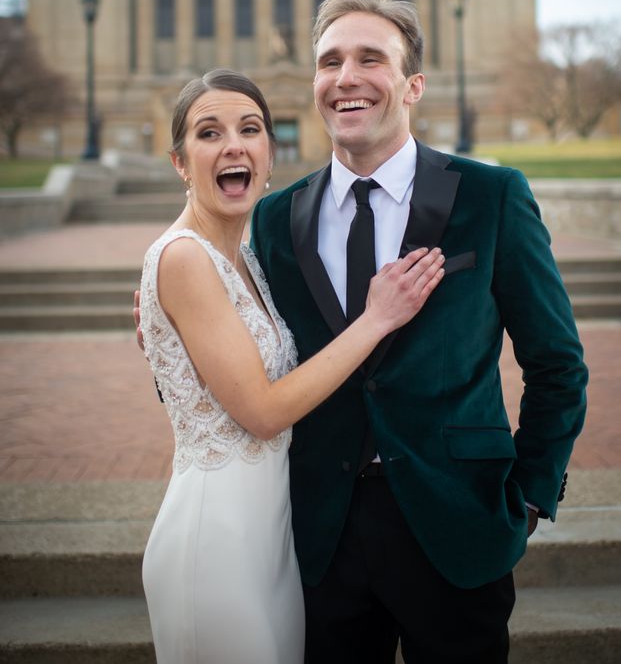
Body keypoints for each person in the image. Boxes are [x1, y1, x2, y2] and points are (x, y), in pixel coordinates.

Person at [249, 0, 588, 664]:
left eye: (370, 58)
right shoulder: (274, 218)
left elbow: (557, 364)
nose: (346, 77)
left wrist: (527, 500)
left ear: (413, 85)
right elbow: (254, 362)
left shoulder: (491, 196)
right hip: (322, 534)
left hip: (458, 525)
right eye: (330, 61)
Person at [137, 67, 445, 664]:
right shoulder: (182, 259)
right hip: (218, 536)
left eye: (250, 128)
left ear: (269, 155)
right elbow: (261, 411)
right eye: (208, 133)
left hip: (277, 533)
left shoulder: (251, 258)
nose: (233, 144)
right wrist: (378, 318)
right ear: (179, 162)